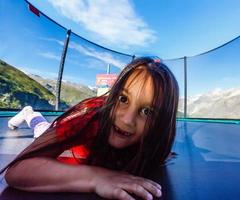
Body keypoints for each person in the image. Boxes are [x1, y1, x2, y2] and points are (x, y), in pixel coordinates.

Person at [1, 57, 179, 200]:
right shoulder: (88, 116)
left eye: (147, 111)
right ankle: (28, 112)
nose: (127, 120)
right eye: (123, 99)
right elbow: (17, 172)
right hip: (62, 137)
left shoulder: (158, 140)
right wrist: (96, 178)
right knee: (40, 127)